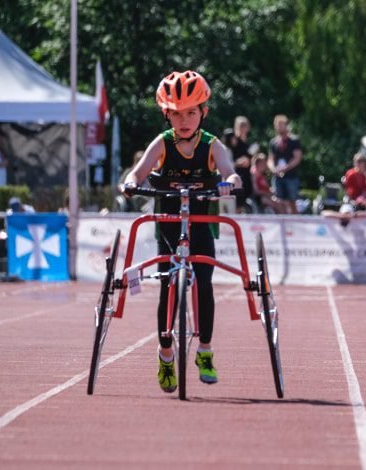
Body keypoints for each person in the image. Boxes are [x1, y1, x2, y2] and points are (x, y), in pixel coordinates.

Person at [119, 70, 241, 393]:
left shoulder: (213, 146)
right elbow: (139, 170)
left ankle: (205, 351)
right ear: (166, 114)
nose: (184, 120)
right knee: (167, 286)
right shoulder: (163, 143)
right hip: (169, 226)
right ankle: (166, 354)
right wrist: (131, 182)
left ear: (203, 112)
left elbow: (231, 173)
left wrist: (231, 183)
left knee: (203, 282)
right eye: (176, 114)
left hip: (201, 225)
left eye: (190, 113)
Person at [267, 115, 303, 214]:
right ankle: (282, 225)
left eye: (281, 125)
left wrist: (285, 168)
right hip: (278, 177)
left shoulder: (294, 141)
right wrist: (274, 169)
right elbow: (270, 159)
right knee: (279, 202)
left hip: (291, 176)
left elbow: (297, 158)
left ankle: (295, 224)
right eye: (277, 125)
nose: (279, 127)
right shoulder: (273, 142)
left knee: (292, 202)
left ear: (286, 125)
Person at [228, 116, 255, 212]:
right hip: (237, 174)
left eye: (244, 125)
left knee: (244, 202)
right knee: (237, 202)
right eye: (240, 125)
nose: (242, 127)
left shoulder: (249, 143)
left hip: (247, 175)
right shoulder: (234, 141)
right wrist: (237, 163)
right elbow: (229, 158)